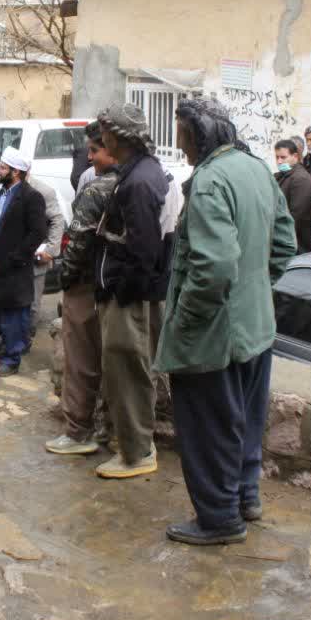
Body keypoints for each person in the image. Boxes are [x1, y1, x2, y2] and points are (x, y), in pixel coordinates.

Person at [158, 98, 296, 546]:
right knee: (247, 418)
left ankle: (219, 518)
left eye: (181, 136)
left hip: (213, 335)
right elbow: (284, 244)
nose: (181, 148)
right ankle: (245, 498)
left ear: (197, 134)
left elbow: (214, 267)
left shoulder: (211, 180)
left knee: (210, 425)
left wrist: (188, 318)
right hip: (256, 326)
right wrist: (253, 289)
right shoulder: (257, 169)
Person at [93, 104, 180, 480]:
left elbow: (142, 251)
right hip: (130, 293)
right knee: (126, 371)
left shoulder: (140, 181)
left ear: (118, 136)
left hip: (132, 297)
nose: (102, 137)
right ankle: (131, 445)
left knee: (129, 371)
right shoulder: (138, 173)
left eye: (105, 131)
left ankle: (137, 452)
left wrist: (121, 292)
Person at [46, 121, 118, 456]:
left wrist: (66, 277)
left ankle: (78, 432)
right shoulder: (148, 179)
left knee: (82, 361)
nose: (89, 159)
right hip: (115, 287)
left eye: (95, 150)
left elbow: (77, 240)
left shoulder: (99, 187)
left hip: (88, 285)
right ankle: (106, 430)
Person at [0, 146, 47, 377]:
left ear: (16, 172)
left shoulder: (31, 197)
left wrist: (18, 256)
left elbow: (38, 232)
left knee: (14, 312)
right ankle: (4, 344)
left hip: (13, 264)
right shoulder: (3, 191)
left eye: (3, 167)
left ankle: (11, 359)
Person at [26, 174, 65, 338]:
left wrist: (50, 251)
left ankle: (27, 336)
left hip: (36, 255)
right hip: (12, 256)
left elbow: (57, 220)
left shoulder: (43, 191)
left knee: (32, 302)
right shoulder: (3, 187)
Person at [274, 138, 311, 253]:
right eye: (277, 157)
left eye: (283, 157)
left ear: (295, 156)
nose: (279, 161)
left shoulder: (300, 179)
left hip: (296, 245)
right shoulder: (282, 176)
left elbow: (296, 216)